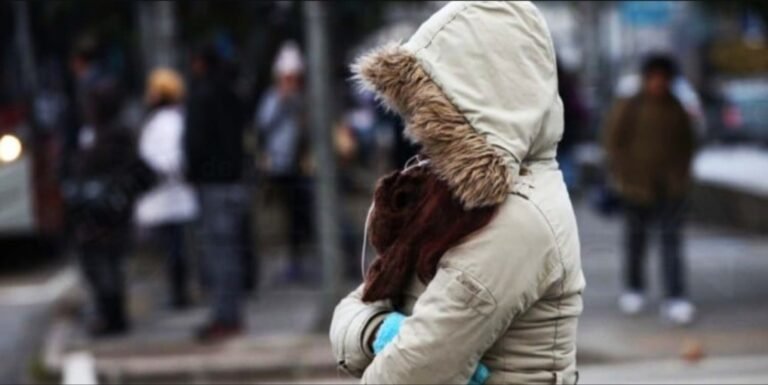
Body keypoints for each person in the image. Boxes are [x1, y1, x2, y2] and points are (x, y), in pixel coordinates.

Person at [329, 2, 585, 383]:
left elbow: (413, 372)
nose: (419, 127)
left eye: (437, 106)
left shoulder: (518, 218)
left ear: (480, 98)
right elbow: (352, 311)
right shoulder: (449, 197)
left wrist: (381, 333)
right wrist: (377, 334)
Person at [602, 54, 697, 325]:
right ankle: (634, 288)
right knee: (635, 241)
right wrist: (622, 175)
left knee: (671, 243)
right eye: (654, 77)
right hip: (635, 187)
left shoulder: (676, 107)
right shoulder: (630, 106)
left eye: (663, 78)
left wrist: (681, 176)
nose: (658, 83)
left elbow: (688, 144)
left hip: (670, 188)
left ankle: (675, 296)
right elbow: (612, 141)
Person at [67, 81, 143, 336]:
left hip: (105, 211)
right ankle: (111, 314)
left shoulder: (111, 137)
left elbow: (125, 171)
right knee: (105, 263)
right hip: (104, 210)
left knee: (103, 264)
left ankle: (112, 316)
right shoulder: (99, 133)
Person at [184, 45, 248, 342]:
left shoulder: (202, 96)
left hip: (212, 184)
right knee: (231, 252)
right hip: (234, 181)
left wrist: (192, 170)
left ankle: (225, 316)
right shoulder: (232, 92)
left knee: (218, 254)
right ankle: (231, 313)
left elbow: (195, 143)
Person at [135, 68, 198, 309]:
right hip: (168, 194)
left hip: (169, 193)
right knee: (174, 247)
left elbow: (170, 158)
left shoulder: (169, 122)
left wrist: (157, 172)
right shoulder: (169, 119)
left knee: (175, 248)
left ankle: (179, 293)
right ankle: (179, 291)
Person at [255, 41, 314, 283]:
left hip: (299, 166)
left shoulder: (302, 100)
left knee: (301, 217)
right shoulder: (272, 100)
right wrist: (282, 102)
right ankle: (289, 261)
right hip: (279, 167)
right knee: (283, 218)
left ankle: (300, 260)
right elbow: (263, 125)